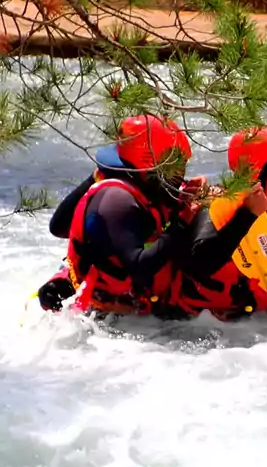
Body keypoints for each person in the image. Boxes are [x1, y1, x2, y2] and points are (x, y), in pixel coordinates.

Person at [37, 114, 197, 316]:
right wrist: (183, 222)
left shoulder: (145, 187)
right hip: (105, 319)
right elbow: (140, 269)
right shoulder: (117, 200)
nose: (182, 173)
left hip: (134, 312)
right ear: (152, 166)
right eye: (177, 167)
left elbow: (58, 226)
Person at [176, 124, 267, 320]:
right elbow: (199, 262)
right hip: (200, 329)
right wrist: (246, 216)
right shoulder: (214, 205)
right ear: (258, 176)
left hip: (254, 325)